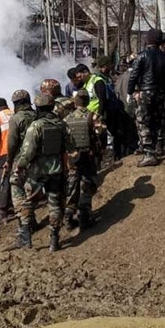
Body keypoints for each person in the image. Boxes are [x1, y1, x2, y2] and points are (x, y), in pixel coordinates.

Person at [13, 94, 75, 252]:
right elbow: (71, 146)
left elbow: (28, 152)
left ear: (38, 107)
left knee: (28, 202)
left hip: (37, 172)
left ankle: (26, 237)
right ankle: (54, 239)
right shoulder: (61, 124)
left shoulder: (36, 126)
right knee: (55, 205)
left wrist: (19, 166)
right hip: (57, 171)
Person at [127, 29, 165, 167]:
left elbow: (134, 75)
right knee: (156, 121)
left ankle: (148, 152)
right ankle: (156, 148)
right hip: (161, 93)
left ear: (148, 40)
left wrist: (130, 91)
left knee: (143, 120)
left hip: (146, 92)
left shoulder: (142, 56)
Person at [64, 89, 102, 231]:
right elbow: (100, 132)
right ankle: (84, 218)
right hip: (88, 156)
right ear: (87, 101)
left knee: (72, 186)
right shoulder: (92, 116)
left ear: (75, 102)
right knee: (87, 185)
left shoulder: (67, 118)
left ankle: (68, 217)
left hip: (72, 158)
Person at [7, 89, 36, 228]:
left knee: (17, 190)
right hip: (38, 160)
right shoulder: (37, 115)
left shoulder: (16, 118)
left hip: (21, 159)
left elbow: (12, 143)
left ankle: (25, 225)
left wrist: (9, 161)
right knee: (31, 190)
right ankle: (32, 220)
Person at [0, 98, 14, 219]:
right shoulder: (14, 113)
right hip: (18, 150)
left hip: (3, 152)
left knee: (4, 180)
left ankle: (2, 210)